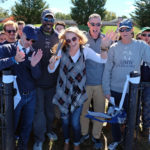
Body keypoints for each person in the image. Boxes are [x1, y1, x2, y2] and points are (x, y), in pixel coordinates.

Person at [48, 26, 107, 150]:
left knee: (75, 122)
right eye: (68, 40)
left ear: (79, 38)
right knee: (65, 121)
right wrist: (51, 64)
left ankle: (76, 143)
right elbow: (51, 70)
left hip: (78, 93)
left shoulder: (85, 51)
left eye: (74, 39)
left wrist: (104, 47)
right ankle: (66, 141)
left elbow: (102, 60)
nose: (72, 42)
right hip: (63, 92)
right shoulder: (61, 50)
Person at [102, 19, 150, 150]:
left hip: (132, 92)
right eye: (122, 29)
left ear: (132, 30)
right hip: (115, 89)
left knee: (132, 119)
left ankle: (129, 141)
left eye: (127, 29)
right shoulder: (113, 47)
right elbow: (107, 70)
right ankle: (117, 140)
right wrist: (106, 89)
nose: (125, 32)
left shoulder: (141, 46)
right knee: (115, 119)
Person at [0, 24, 43, 150]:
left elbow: (37, 76)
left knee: (27, 125)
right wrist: (14, 59)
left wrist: (34, 65)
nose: (30, 42)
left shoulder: (34, 52)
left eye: (33, 40)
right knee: (11, 126)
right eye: (28, 38)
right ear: (21, 34)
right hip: (14, 96)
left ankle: (23, 147)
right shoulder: (7, 48)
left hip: (31, 95)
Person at [80, 13, 116, 150]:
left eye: (98, 24)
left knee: (100, 111)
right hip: (85, 83)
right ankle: (84, 134)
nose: (95, 27)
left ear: (101, 25)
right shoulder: (82, 39)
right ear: (88, 24)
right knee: (84, 111)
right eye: (93, 24)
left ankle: (96, 135)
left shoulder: (106, 39)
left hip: (101, 83)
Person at [32, 8, 59, 150]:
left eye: (51, 19)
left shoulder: (58, 36)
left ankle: (49, 130)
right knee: (39, 112)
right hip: (36, 82)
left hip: (52, 82)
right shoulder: (34, 33)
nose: (49, 22)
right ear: (42, 19)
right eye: (46, 19)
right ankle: (39, 139)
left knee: (50, 111)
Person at [140, 27, 150, 140]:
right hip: (137, 82)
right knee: (135, 105)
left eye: (149, 35)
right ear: (140, 36)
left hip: (148, 83)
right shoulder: (137, 48)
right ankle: (134, 126)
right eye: (144, 35)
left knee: (147, 106)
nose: (146, 37)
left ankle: (146, 128)